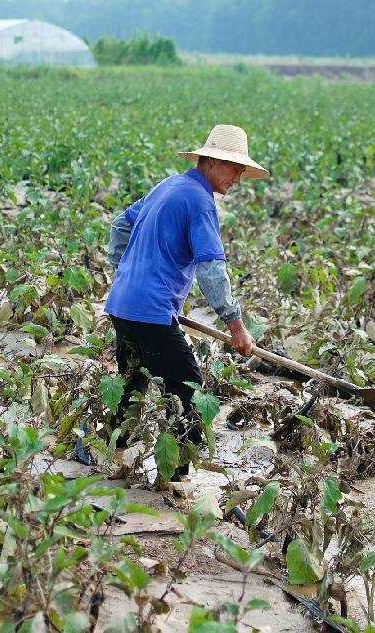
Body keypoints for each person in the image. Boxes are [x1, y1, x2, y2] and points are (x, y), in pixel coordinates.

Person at [104, 124, 267, 480]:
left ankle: (111, 455)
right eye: (234, 168)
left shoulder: (169, 185)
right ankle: (176, 477)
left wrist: (126, 273)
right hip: (150, 312)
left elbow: (120, 225)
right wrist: (237, 326)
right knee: (191, 394)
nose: (238, 178)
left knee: (131, 383)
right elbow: (211, 270)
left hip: (122, 306)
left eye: (241, 171)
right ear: (210, 162)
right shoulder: (199, 201)